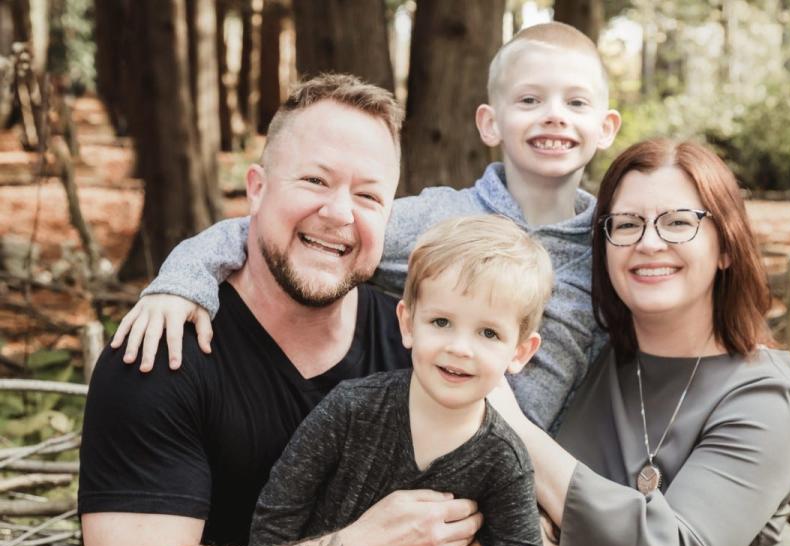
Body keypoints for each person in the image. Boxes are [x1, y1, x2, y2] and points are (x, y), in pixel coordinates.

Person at [78, 74, 484, 546]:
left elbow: (526, 543)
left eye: (368, 195)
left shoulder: (424, 349)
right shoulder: (162, 354)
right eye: (315, 180)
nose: (340, 213)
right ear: (257, 188)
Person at [112, 21, 622, 433]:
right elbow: (272, 227)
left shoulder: (611, 249)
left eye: (575, 103)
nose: (554, 117)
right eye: (530, 100)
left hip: (538, 479)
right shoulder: (439, 220)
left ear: (605, 128)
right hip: (432, 456)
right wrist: (182, 282)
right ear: (489, 122)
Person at [486, 139, 790, 546]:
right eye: (626, 224)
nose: (648, 242)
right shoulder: (594, 361)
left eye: (679, 222)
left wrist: (513, 430)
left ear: (726, 245)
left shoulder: (765, 397)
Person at [250, 215, 552, 546]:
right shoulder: (352, 409)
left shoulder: (504, 461)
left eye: (487, 333)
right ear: (408, 323)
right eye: (442, 322)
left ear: (520, 352)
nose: (459, 348)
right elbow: (278, 513)